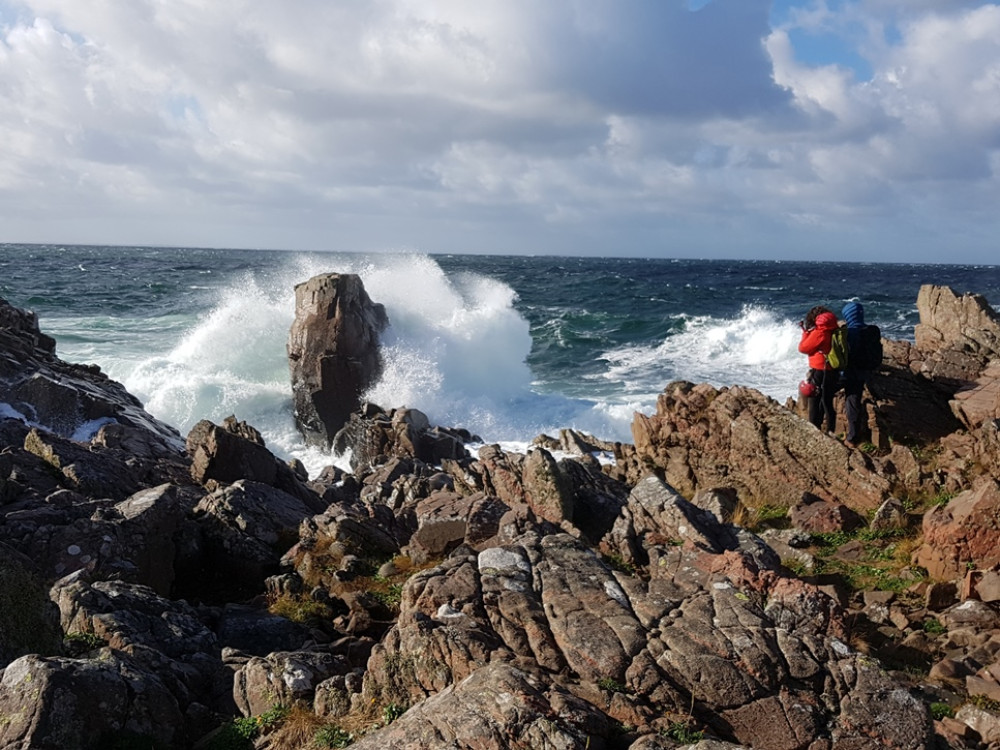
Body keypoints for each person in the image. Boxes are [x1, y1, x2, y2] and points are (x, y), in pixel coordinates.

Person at [797, 305, 839, 432]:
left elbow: (803, 348)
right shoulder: (834, 328)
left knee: (815, 403)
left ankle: (815, 431)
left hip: (820, 370)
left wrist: (805, 333)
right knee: (827, 400)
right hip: (833, 369)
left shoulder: (820, 332)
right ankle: (831, 431)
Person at [841, 301, 873, 447]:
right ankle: (854, 436)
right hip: (866, 370)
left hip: (851, 372)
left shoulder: (850, 333)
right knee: (855, 399)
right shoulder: (871, 330)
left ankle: (852, 437)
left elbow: (847, 354)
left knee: (851, 401)